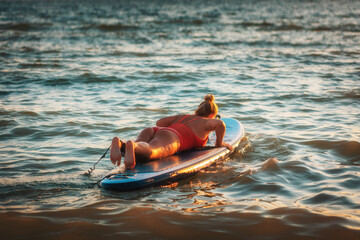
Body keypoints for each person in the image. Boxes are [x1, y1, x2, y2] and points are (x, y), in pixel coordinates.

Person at [110, 94, 232, 169]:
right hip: (172, 137)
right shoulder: (206, 122)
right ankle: (130, 145)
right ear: (213, 114)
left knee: (141, 148)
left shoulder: (184, 116)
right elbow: (220, 124)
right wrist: (219, 143)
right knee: (150, 152)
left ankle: (123, 144)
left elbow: (159, 122)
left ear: (197, 110)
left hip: (154, 130)